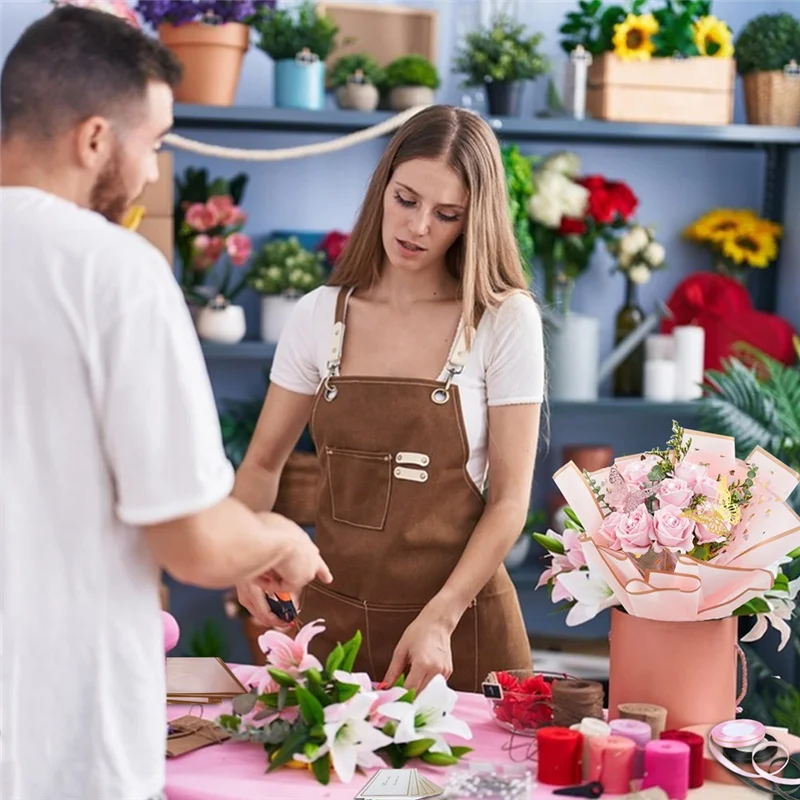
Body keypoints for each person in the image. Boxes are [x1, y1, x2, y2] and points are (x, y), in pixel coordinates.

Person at [0, 8, 331, 800]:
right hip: (56, 741)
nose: (152, 174)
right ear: (93, 140)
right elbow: (192, 544)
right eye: (151, 144)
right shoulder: (112, 270)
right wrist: (275, 534)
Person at [234, 105, 544, 694]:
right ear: (382, 189)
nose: (419, 226)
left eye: (446, 213)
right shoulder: (318, 316)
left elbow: (509, 502)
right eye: (406, 200)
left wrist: (442, 614)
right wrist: (245, 559)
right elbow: (262, 464)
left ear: (472, 221)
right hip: (334, 632)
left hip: (461, 634)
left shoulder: (503, 321)